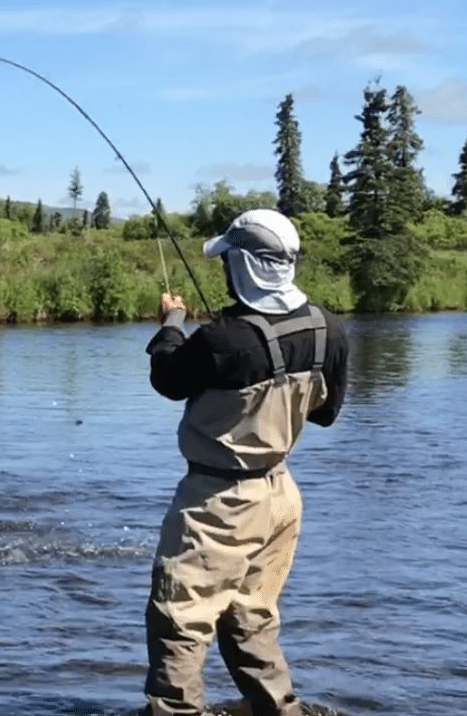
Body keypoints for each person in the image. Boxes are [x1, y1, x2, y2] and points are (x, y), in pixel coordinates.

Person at [141, 208, 349, 716]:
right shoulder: (329, 330)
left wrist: (172, 324)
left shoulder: (220, 339)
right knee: (251, 616)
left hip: (218, 501)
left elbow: (168, 379)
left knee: (179, 620)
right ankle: (280, 709)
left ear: (242, 267)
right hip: (280, 498)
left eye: (228, 261)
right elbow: (324, 414)